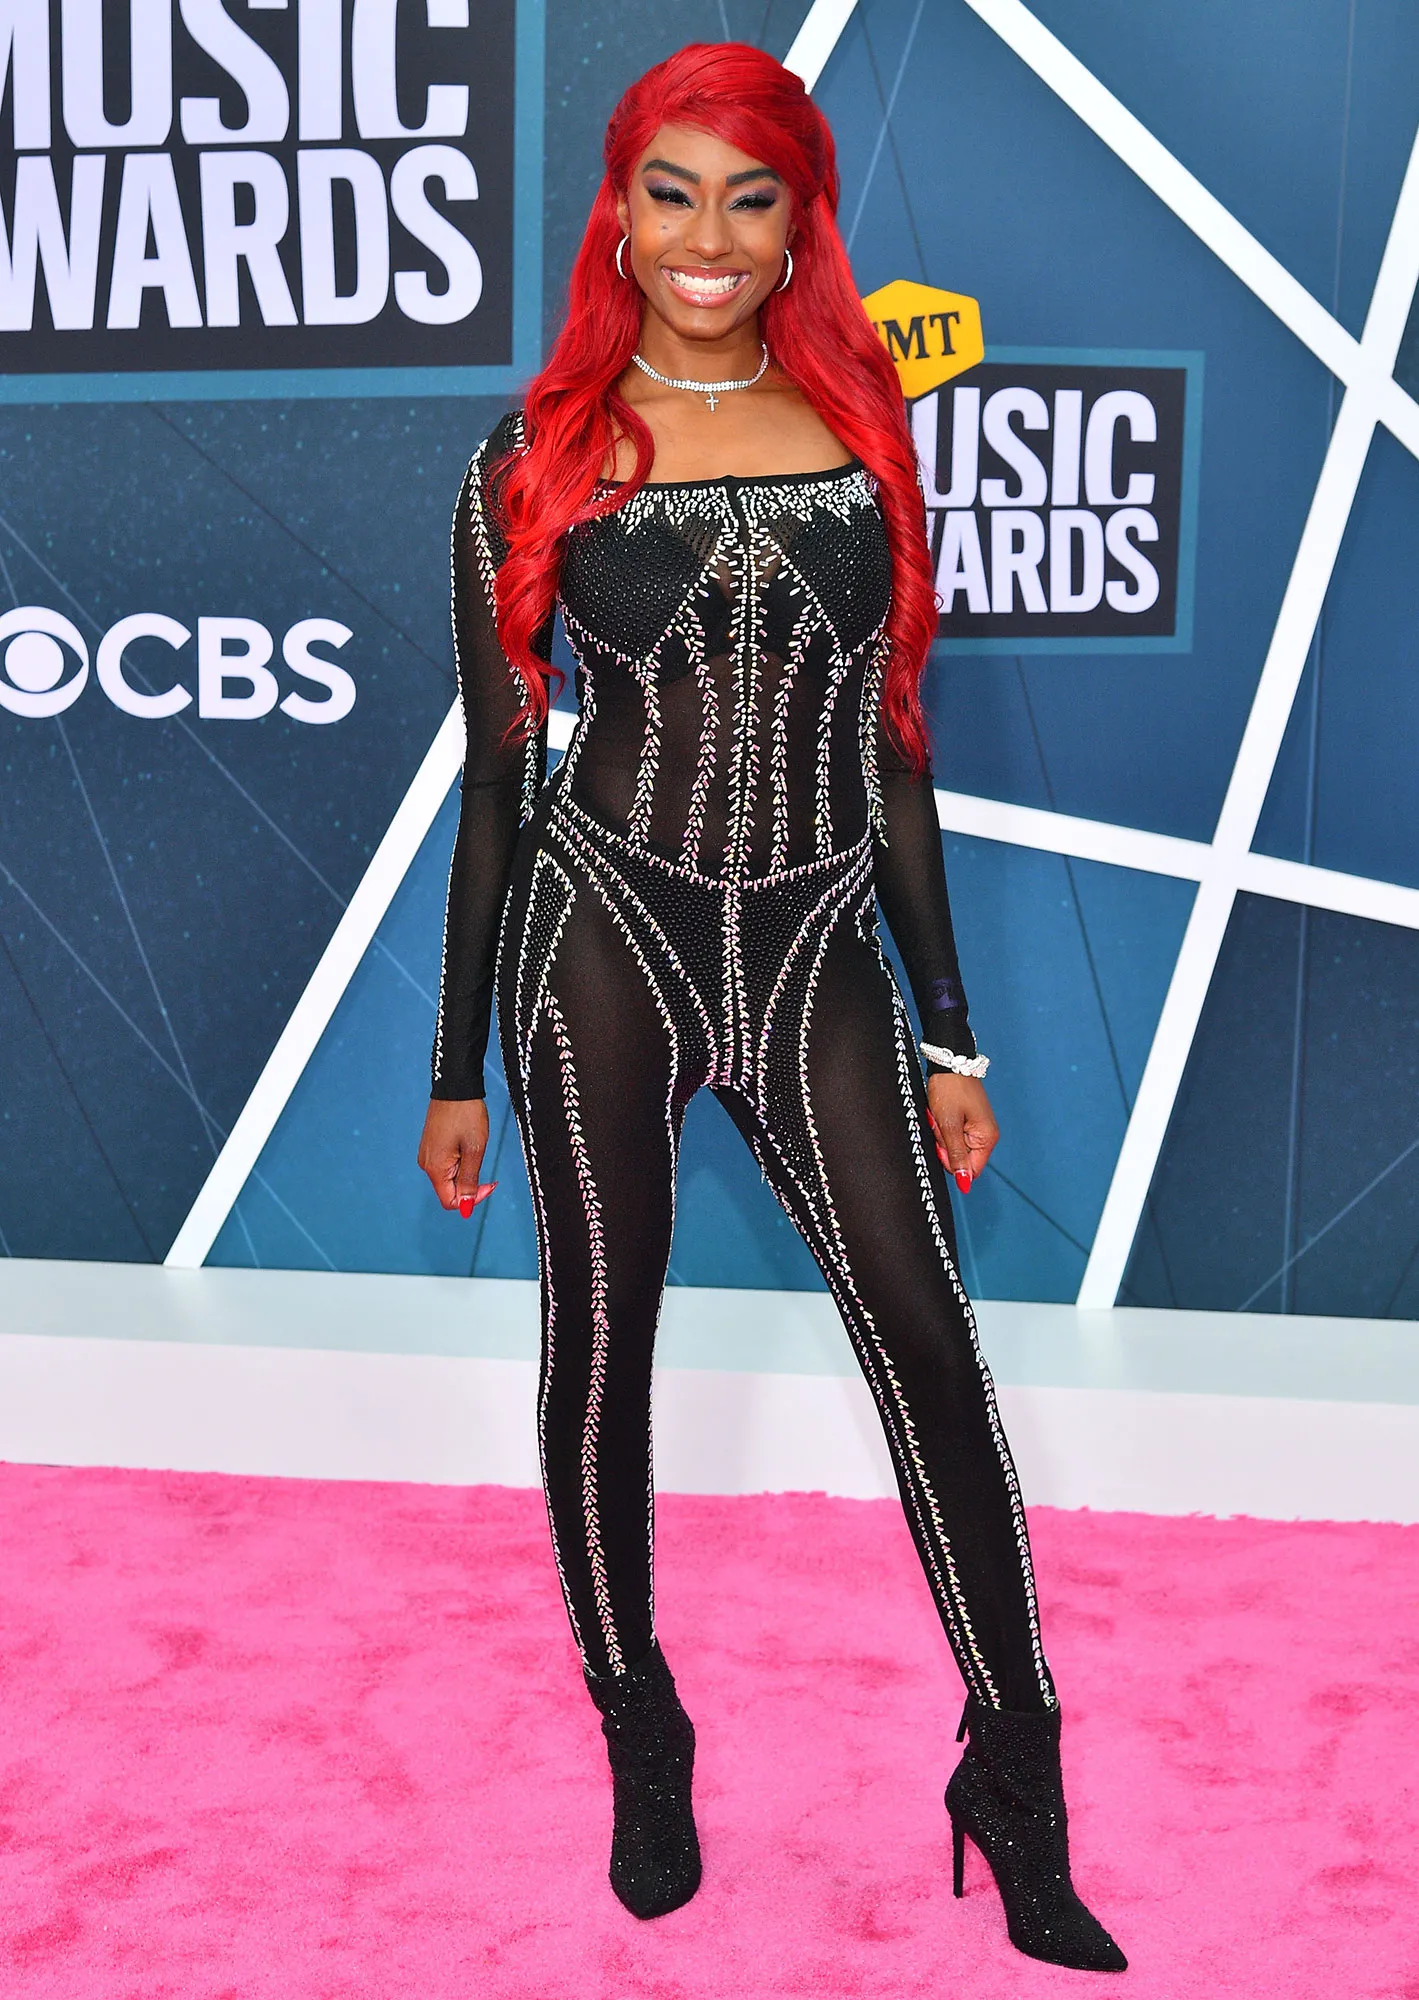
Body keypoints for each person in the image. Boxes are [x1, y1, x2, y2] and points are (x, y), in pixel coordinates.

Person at [417, 42, 1124, 1973]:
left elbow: (896, 760)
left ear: (803, 218)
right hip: (601, 940)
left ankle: (1015, 1774)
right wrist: (453, 1061)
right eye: (672, 192)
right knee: (601, 1352)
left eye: (752, 195)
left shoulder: (865, 435)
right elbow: (498, 779)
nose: (708, 237)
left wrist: (950, 1031)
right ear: (617, 214)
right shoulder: (528, 459)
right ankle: (640, 1729)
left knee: (935, 1352)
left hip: (818, 950)